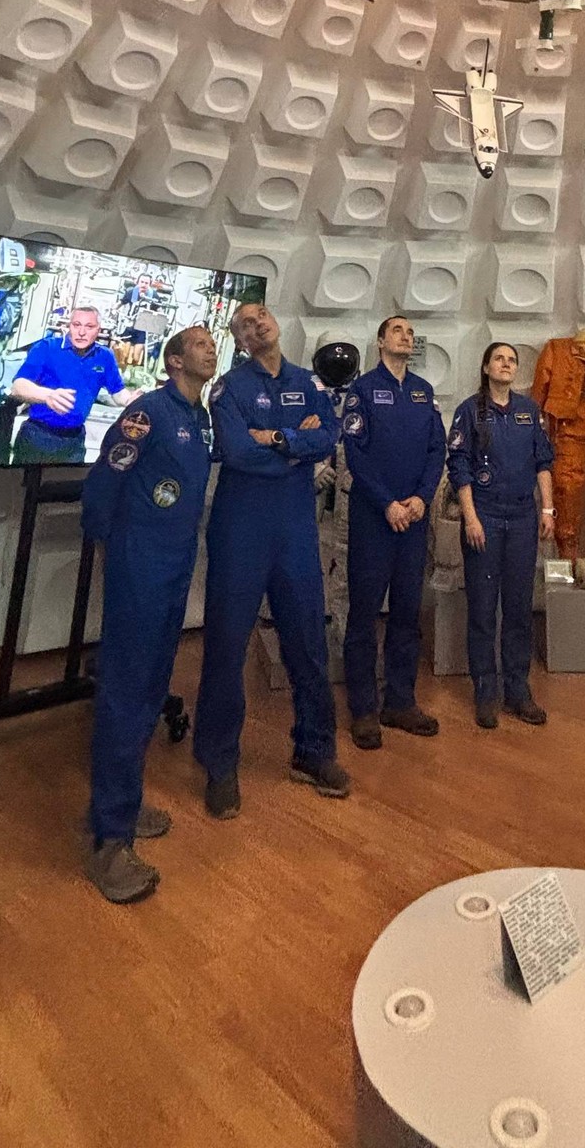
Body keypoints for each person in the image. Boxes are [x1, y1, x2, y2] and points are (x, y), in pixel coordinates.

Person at [192, 303, 350, 813]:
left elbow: (328, 438)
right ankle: (219, 764)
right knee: (226, 647)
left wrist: (278, 437)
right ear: (240, 342)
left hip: (295, 531)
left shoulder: (308, 382)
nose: (257, 322)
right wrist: (297, 448)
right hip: (241, 530)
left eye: (262, 315)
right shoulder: (228, 388)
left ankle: (314, 751)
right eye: (245, 323)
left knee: (308, 643)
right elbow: (238, 452)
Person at [81, 325, 218, 904]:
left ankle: (123, 803)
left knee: (150, 688)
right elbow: (105, 481)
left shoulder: (199, 417)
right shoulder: (148, 413)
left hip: (174, 565)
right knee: (125, 690)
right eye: (200, 343)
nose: (211, 348)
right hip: (140, 563)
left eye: (213, 342)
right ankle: (108, 842)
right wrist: (113, 549)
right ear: (174, 361)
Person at [341, 316, 447, 750]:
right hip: (374, 519)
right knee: (364, 615)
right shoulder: (362, 391)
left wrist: (422, 497)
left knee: (407, 614)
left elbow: (437, 448)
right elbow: (356, 455)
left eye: (410, 333)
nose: (406, 336)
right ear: (381, 341)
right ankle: (364, 709)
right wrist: (387, 503)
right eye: (398, 331)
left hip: (414, 521)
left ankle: (400, 702)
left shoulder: (423, 391)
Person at [448, 343, 555, 729]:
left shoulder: (529, 411)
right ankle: (485, 691)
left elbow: (543, 461)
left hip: (523, 518)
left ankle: (518, 691)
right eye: (499, 359)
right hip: (485, 518)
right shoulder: (469, 411)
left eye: (512, 360)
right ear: (486, 367)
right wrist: (471, 519)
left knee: (518, 609)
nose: (506, 364)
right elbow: (459, 467)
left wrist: (548, 509)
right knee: (482, 610)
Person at [10, 305, 127, 463]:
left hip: (74, 442)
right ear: (69, 326)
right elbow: (18, 387)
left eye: (89, 326)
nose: (81, 332)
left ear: (98, 330)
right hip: (37, 436)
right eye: (76, 325)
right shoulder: (46, 348)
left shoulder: (105, 356)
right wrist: (48, 395)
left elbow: (118, 393)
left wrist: (132, 400)